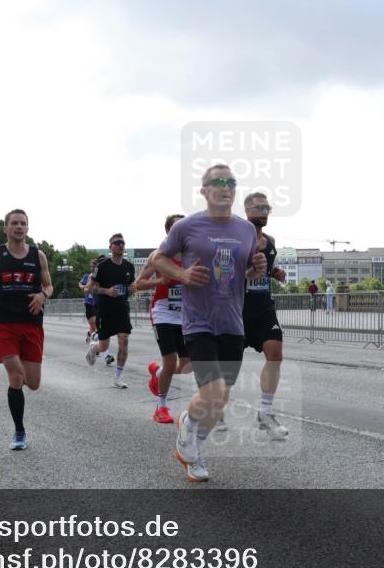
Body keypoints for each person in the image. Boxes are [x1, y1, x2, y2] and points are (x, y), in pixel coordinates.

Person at [151, 163, 266, 482]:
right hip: (198, 322)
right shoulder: (187, 227)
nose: (225, 187)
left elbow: (241, 273)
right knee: (212, 390)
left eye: (230, 182)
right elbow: (157, 259)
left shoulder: (246, 230)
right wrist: (182, 274)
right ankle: (189, 429)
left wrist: (255, 269)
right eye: (217, 182)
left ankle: (193, 443)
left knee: (220, 399)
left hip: (233, 323)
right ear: (203, 191)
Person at [0, 209, 54, 450]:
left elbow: (49, 286)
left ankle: (19, 424)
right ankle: (19, 431)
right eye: (14, 223)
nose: (19, 227)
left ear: (28, 228)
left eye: (23, 224)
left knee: (34, 383)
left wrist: (42, 295)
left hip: (31, 324)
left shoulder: (39, 257)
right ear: (5, 228)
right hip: (3, 323)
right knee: (16, 375)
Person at [136, 214, 192, 424]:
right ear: (170, 232)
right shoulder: (158, 255)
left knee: (187, 366)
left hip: (185, 316)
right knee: (170, 361)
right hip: (163, 313)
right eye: (178, 227)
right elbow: (138, 283)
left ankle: (157, 372)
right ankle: (161, 407)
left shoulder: (192, 254)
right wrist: (160, 280)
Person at [242, 192, 289, 439]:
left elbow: (268, 269)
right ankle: (210, 405)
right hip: (236, 309)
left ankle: (265, 411)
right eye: (259, 207)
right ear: (247, 209)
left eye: (266, 207)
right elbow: (226, 273)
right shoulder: (236, 238)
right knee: (226, 366)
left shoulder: (270, 241)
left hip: (263, 307)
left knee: (275, 354)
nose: (263, 211)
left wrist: (276, 273)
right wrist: (248, 270)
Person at [86, 234, 136, 389]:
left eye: (122, 243)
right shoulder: (103, 266)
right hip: (105, 309)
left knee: (124, 339)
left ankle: (118, 377)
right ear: (111, 247)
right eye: (116, 243)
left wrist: (132, 289)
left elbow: (131, 287)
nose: (120, 245)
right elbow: (90, 286)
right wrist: (106, 291)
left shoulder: (129, 266)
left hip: (122, 309)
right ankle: (94, 348)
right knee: (104, 345)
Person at [79, 257, 103, 343]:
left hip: (97, 302)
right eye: (91, 266)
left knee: (94, 326)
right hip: (88, 303)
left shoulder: (101, 277)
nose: (93, 268)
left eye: (94, 266)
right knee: (94, 324)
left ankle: (90, 335)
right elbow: (81, 284)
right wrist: (84, 288)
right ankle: (95, 344)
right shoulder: (87, 276)